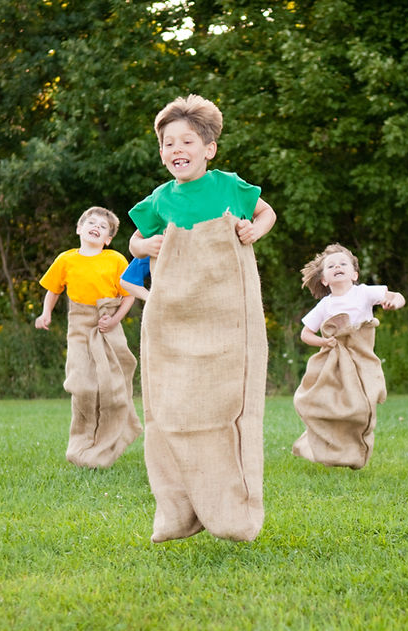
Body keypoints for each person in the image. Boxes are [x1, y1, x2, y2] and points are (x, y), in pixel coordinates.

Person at [128, 93, 275, 543]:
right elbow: (135, 240)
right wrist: (145, 247)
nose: (177, 149)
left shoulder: (228, 186)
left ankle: (232, 512)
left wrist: (254, 229)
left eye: (187, 141)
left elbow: (266, 212)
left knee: (225, 407)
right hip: (175, 317)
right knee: (172, 408)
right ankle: (178, 510)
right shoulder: (160, 198)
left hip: (226, 315)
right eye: (168, 143)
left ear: (208, 148)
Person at [35, 206, 141, 469]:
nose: (96, 226)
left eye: (103, 227)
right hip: (79, 326)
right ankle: (81, 446)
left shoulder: (115, 259)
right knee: (82, 385)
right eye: (91, 222)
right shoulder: (66, 259)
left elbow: (128, 293)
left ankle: (109, 442)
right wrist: (45, 313)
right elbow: (53, 289)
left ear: (107, 239)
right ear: (79, 229)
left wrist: (115, 319)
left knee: (111, 387)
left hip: (108, 324)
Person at [292, 244, 405, 469]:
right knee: (330, 405)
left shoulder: (363, 292)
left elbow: (396, 295)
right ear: (324, 279)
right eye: (331, 266)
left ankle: (355, 450)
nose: (337, 267)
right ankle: (326, 446)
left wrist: (394, 302)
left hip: (362, 359)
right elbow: (305, 334)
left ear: (354, 274)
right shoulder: (325, 305)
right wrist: (323, 342)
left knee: (361, 406)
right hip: (334, 362)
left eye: (343, 263)